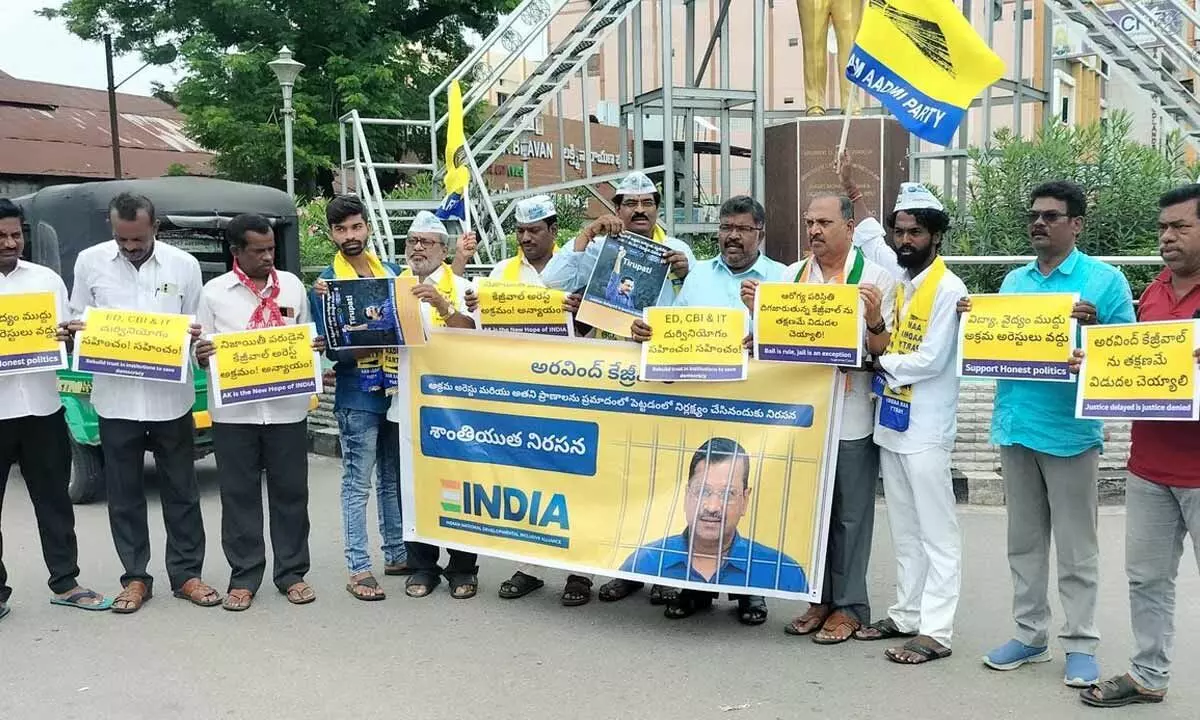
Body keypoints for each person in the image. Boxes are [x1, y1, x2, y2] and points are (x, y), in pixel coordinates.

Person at [965, 182, 1134, 687]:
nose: (1039, 223)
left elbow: (1128, 356)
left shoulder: (1104, 282)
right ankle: (1030, 634)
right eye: (1034, 215)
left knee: (1078, 547)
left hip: (1070, 433)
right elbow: (996, 346)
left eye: (1052, 216)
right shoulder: (1014, 282)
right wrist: (975, 327)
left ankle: (1081, 642)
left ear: (1076, 224)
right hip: (1016, 426)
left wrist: (1097, 325)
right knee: (1023, 542)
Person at [630, 195, 787, 624]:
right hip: (701, 405)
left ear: (760, 233)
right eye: (725, 227)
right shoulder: (697, 276)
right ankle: (694, 589)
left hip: (758, 409)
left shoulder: (783, 278)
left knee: (745, 498)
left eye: (742, 228)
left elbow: (792, 341)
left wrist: (763, 328)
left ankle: (749, 593)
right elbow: (673, 330)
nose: (732, 236)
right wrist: (650, 333)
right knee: (703, 499)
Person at [1077, 185, 1200, 708]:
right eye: (1162, 228)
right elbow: (1135, 362)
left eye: (1181, 227)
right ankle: (1148, 675)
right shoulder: (1151, 293)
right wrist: (1094, 364)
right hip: (1149, 465)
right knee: (1147, 579)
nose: (1167, 237)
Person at [757, 193, 898, 645]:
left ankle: (851, 606)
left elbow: (888, 353)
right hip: (805, 415)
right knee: (813, 513)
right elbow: (774, 342)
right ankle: (819, 597)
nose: (814, 231)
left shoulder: (876, 279)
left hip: (852, 412)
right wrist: (752, 318)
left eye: (823, 222)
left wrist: (874, 321)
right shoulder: (790, 277)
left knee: (850, 516)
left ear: (850, 227)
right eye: (808, 222)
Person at [66, 192, 216, 614]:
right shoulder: (90, 261)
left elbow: (197, 328)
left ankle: (187, 575)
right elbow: (80, 317)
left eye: (138, 239)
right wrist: (78, 331)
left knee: (182, 491)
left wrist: (192, 343)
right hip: (116, 401)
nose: (131, 247)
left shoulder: (183, 266)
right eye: (122, 239)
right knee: (125, 495)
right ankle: (135, 578)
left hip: (172, 399)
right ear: (113, 231)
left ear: (155, 228)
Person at [851, 184, 968, 666]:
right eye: (900, 231)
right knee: (904, 527)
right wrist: (855, 192)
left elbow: (929, 359)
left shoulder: (949, 288)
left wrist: (876, 360)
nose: (905, 240)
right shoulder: (899, 282)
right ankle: (906, 613)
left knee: (937, 531)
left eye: (915, 232)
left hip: (926, 427)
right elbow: (867, 238)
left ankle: (937, 629)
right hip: (893, 423)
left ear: (936, 237)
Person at [465, 196, 595, 606]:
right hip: (522, 393)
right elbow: (483, 330)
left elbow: (597, 323)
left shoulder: (579, 266)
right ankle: (530, 567)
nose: (525, 238)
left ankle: (580, 571)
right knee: (530, 478)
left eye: (534, 230)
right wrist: (475, 308)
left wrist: (582, 310)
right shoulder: (502, 272)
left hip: (572, 389)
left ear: (553, 232)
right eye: (520, 231)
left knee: (578, 478)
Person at [192, 213, 322, 612]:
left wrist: (312, 349)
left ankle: (292, 574)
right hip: (235, 415)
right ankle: (244, 576)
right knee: (239, 497)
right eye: (259, 250)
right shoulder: (214, 293)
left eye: (271, 249)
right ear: (236, 251)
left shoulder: (293, 287)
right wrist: (200, 355)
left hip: (286, 410)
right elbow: (199, 352)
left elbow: (308, 334)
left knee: (291, 495)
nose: (268, 256)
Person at [0, 198, 111, 621]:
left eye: (17, 235)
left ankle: (66, 582)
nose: (11, 243)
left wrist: (69, 336)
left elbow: (64, 339)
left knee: (53, 502)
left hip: (43, 409)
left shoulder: (46, 280)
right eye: (2, 237)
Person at [309, 195, 406, 601]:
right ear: (332, 234)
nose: (350, 236)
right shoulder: (326, 284)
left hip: (395, 390)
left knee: (392, 478)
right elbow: (333, 350)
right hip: (356, 395)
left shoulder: (394, 274)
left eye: (355, 227)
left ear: (367, 227)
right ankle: (358, 567)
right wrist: (371, 338)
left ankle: (397, 552)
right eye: (341, 229)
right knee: (357, 482)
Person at [384, 211, 480, 600]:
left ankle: (462, 568)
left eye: (426, 242)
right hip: (405, 404)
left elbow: (474, 335)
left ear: (445, 248)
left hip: (454, 409)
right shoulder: (394, 286)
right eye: (412, 241)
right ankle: (422, 566)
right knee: (413, 487)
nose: (418, 248)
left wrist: (442, 305)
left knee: (459, 485)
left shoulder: (465, 286)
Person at [619, 438, 808, 595]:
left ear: (745, 500)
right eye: (702, 491)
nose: (712, 507)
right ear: (686, 496)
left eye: (728, 494)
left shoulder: (784, 572)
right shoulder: (645, 561)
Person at [542, 171, 695, 328]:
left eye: (648, 203)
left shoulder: (677, 250)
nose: (640, 210)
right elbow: (553, 282)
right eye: (631, 204)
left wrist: (685, 275)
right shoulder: (599, 247)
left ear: (657, 209)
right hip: (611, 346)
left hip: (660, 345)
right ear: (617, 209)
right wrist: (588, 233)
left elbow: (697, 301)